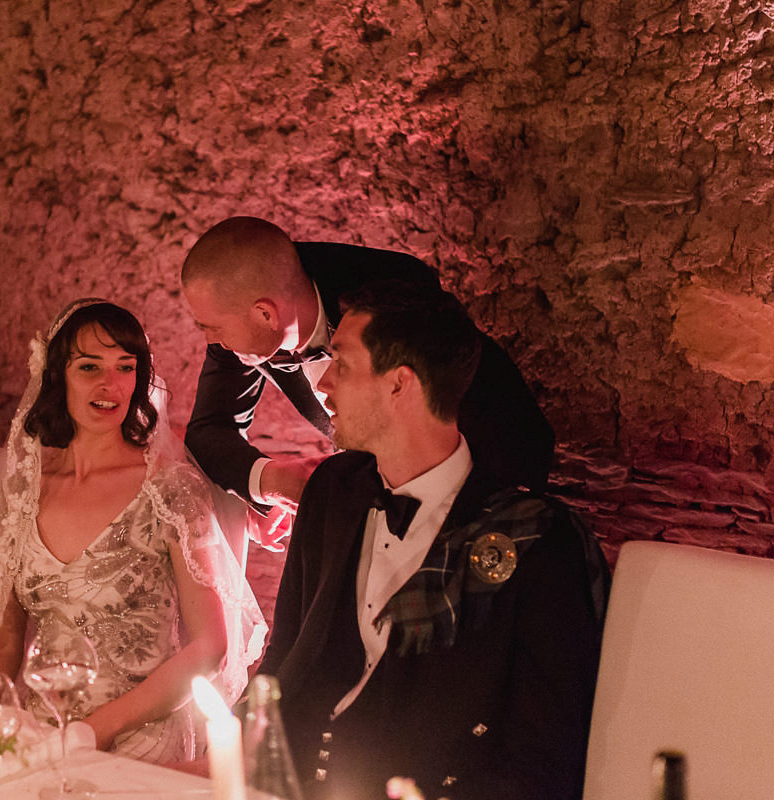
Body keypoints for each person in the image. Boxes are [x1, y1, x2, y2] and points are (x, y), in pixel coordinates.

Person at [259, 281, 608, 800]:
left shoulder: (536, 538)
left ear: (400, 384)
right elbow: (283, 654)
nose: (324, 383)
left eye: (343, 364)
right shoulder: (334, 490)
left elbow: (544, 755)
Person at [0, 299, 266, 764]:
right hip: (44, 728)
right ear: (56, 375)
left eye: (126, 367)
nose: (111, 385)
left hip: (140, 732)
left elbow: (210, 646)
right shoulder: (26, 490)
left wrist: (97, 729)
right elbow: (5, 640)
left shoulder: (169, 488)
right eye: (89, 367)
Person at [180, 216, 554, 546]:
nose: (214, 341)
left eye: (213, 327)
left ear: (265, 313)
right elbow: (209, 429)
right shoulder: (244, 309)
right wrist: (276, 479)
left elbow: (468, 416)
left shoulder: (391, 296)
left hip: (492, 473)